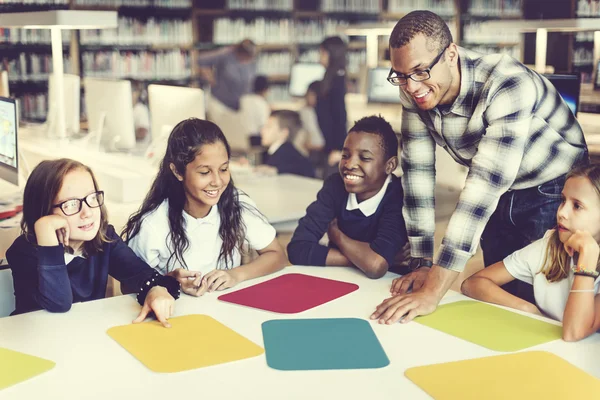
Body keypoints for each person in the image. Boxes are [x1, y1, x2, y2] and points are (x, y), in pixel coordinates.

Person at [371, 10, 588, 325]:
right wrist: (421, 264)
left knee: (543, 303)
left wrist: (433, 291)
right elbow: (417, 174)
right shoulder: (411, 89)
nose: (411, 87)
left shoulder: (507, 82)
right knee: (501, 301)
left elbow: (483, 187)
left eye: (419, 72)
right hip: (503, 189)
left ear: (451, 54)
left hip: (552, 188)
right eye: (400, 75)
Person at [6, 159, 180, 327]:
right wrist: (46, 233)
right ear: (43, 210)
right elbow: (58, 304)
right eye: (71, 204)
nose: (87, 213)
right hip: (35, 343)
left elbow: (139, 273)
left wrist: (156, 289)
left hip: (85, 337)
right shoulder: (23, 252)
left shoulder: (105, 239)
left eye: (92, 198)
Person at [124, 118, 288, 295]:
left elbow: (277, 255)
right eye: (205, 172)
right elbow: (128, 286)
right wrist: (168, 281)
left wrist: (235, 275)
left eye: (224, 169)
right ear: (177, 171)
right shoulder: (152, 224)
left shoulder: (236, 204)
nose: (217, 182)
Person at [462, 164, 600, 342]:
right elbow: (472, 283)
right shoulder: (549, 246)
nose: (562, 212)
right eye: (562, 200)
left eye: (577, 206)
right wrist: (528, 310)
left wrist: (587, 258)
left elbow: (574, 332)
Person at [287, 115, 407, 279]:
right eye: (345, 155)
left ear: (390, 165)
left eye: (364, 157)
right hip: (340, 280)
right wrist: (367, 258)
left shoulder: (399, 196)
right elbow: (297, 249)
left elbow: (375, 266)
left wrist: (338, 237)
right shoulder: (335, 186)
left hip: (390, 286)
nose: (349, 164)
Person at [315, 36, 348, 176]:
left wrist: (339, 148)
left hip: (334, 147)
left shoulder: (337, 79)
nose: (319, 57)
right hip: (328, 144)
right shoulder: (330, 77)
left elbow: (339, 115)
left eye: (322, 53)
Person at [197, 39, 257, 114]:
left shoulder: (252, 61)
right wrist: (210, 78)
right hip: (222, 104)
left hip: (242, 105)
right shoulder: (226, 54)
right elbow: (201, 60)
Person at [259, 110, 315, 178]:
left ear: (284, 133)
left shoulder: (284, 156)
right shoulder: (279, 152)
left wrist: (276, 171)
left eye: (268, 127)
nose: (262, 131)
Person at [240, 75, 271, 145]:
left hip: (241, 137)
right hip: (254, 139)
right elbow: (264, 124)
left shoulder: (244, 99)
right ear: (265, 89)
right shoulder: (262, 103)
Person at [298, 80, 325, 153]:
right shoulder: (307, 111)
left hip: (314, 150)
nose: (306, 96)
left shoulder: (308, 112)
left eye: (310, 94)